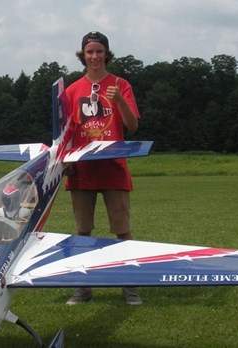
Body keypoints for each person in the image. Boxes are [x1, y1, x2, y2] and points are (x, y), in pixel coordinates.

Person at [64, 31, 142, 305]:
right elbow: (67, 132)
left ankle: (129, 285)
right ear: (83, 55)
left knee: (122, 230)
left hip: (113, 168)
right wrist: (66, 162)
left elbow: (132, 126)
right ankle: (82, 287)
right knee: (83, 230)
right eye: (90, 52)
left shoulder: (121, 84)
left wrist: (118, 99)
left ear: (107, 54)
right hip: (82, 171)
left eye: (99, 51)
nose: (95, 56)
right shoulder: (72, 90)